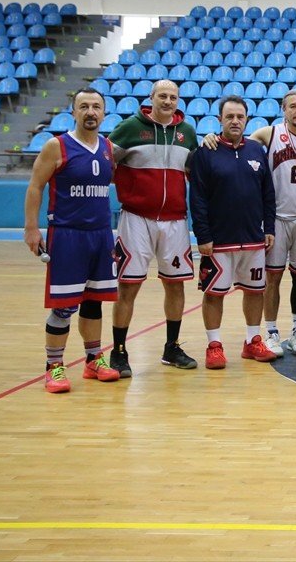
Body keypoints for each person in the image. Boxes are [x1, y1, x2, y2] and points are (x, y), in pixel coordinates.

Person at [201, 89, 296, 358]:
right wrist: (211, 138)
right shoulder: (268, 134)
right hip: (275, 219)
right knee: (272, 278)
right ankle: (272, 332)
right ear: (283, 109)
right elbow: (236, 146)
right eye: (293, 106)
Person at [24, 88, 120, 393]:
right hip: (67, 235)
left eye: (96, 107)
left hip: (101, 235)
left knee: (94, 304)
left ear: (104, 113)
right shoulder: (57, 146)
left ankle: (93, 359)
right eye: (84, 107)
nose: (90, 112)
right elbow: (36, 186)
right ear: (74, 112)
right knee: (65, 307)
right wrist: (31, 228)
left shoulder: (107, 147)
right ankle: (54, 366)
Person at [107, 79, 199, 377]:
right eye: (162, 96)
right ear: (151, 98)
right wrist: (129, 188)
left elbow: (194, 175)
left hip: (174, 220)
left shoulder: (187, 133)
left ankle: (171, 347)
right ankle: (119, 351)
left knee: (175, 284)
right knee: (128, 286)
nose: (168, 101)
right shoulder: (130, 128)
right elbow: (105, 162)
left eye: (173, 97)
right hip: (135, 218)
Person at [187, 95, 277, 369]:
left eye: (240, 117)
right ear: (220, 120)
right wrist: (203, 235)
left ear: (247, 120)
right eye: (230, 117)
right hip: (218, 240)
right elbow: (198, 198)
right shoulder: (206, 152)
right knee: (214, 293)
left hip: (253, 238)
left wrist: (269, 228)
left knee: (254, 291)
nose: (235, 121)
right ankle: (214, 345)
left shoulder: (256, 151)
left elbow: (268, 193)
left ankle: (252, 341)